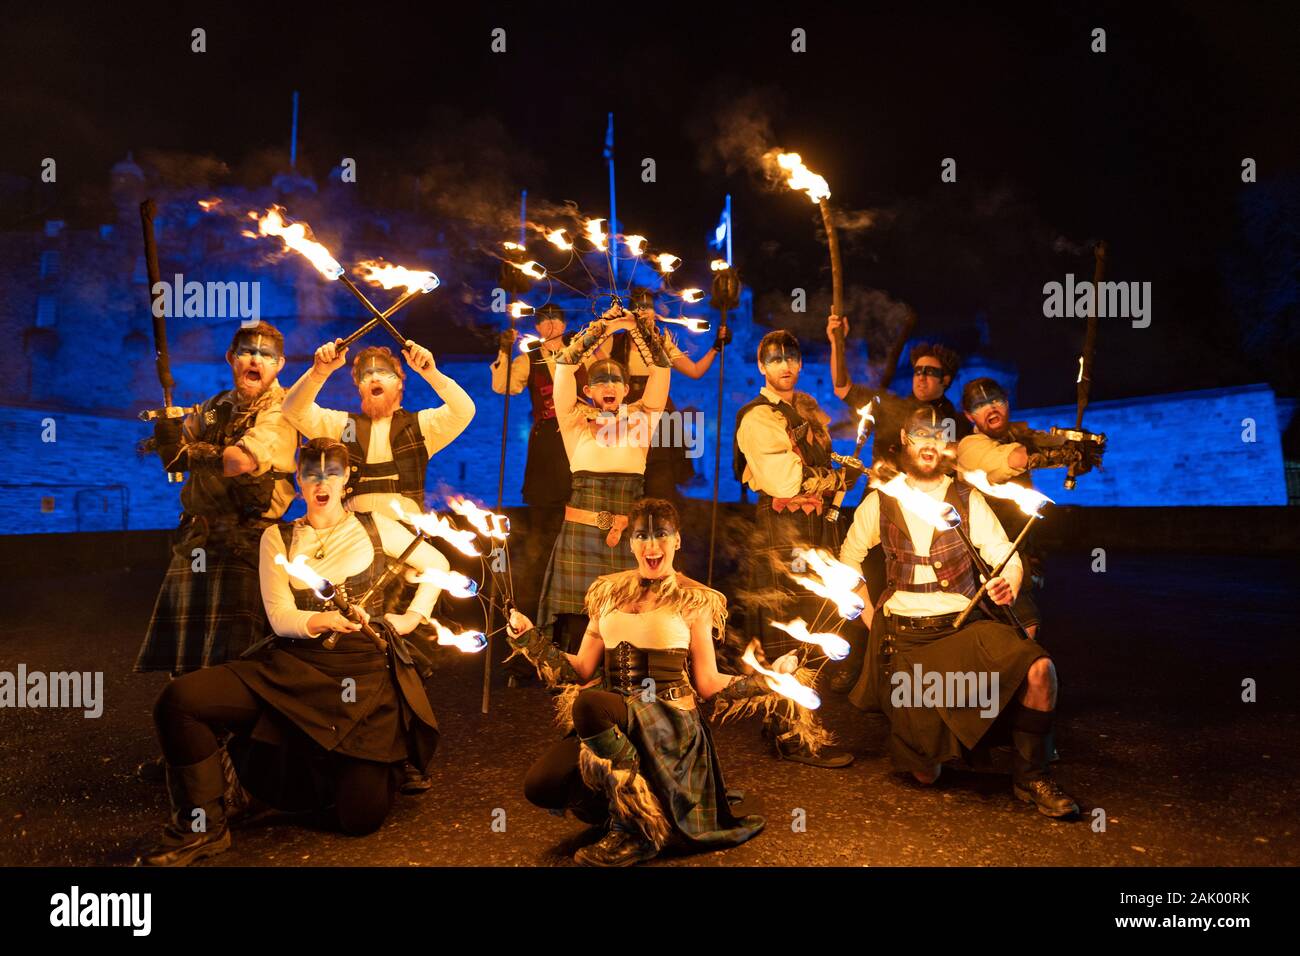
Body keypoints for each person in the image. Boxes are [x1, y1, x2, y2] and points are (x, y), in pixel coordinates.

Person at [137, 438, 445, 866]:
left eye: (332, 473)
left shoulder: (376, 527)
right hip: (295, 666)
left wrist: (410, 619)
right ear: (299, 480)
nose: (322, 483)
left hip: (362, 679)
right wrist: (322, 621)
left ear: (346, 478)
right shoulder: (277, 537)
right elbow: (280, 616)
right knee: (180, 699)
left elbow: (438, 565)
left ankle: (360, 764)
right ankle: (201, 827)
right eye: (312, 474)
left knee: (360, 819)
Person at [508, 497, 777, 866]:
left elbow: (709, 683)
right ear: (630, 543)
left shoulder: (695, 599)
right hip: (612, 718)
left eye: (661, 534)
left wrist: (770, 682)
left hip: (665, 720)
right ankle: (622, 806)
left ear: (677, 540)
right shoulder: (607, 592)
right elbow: (581, 669)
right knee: (541, 785)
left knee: (589, 704)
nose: (652, 545)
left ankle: (636, 830)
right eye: (642, 536)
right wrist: (529, 639)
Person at [839, 404, 1079, 818]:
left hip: (961, 627)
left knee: (1041, 669)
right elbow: (849, 558)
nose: (929, 444)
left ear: (946, 444)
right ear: (905, 440)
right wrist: (870, 617)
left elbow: (1005, 554)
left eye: (937, 436)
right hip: (907, 640)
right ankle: (936, 733)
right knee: (926, 774)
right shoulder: (880, 501)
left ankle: (1031, 776)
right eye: (920, 435)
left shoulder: (969, 499)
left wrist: (1008, 583)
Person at [282, 336, 475, 792]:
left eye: (383, 373)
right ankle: (349, 749)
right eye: (365, 374)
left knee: (403, 660)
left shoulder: (421, 426)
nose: (373, 378)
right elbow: (294, 410)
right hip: (356, 549)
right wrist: (321, 369)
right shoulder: (342, 426)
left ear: (399, 383)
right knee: (358, 655)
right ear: (357, 385)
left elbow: (464, 410)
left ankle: (406, 756)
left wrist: (431, 371)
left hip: (406, 552)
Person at [135, 321, 298, 677]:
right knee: (188, 661)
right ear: (231, 358)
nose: (255, 359)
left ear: (279, 364)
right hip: (199, 537)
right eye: (247, 352)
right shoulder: (214, 407)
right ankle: (189, 708)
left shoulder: (283, 411)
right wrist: (168, 433)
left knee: (237, 659)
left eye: (266, 355)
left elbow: (239, 461)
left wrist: (187, 452)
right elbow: (179, 446)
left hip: (248, 542)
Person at [733, 329, 856, 768]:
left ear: (800, 364)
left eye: (791, 357)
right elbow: (786, 481)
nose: (784, 365)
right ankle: (791, 735)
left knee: (809, 617)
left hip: (813, 528)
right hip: (782, 529)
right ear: (761, 366)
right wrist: (835, 478)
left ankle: (785, 723)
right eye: (774, 358)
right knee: (787, 625)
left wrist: (839, 476)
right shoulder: (758, 417)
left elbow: (816, 470)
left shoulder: (806, 411)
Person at [535, 307, 671, 656]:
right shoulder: (574, 421)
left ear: (626, 389)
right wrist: (602, 327)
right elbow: (564, 365)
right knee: (577, 625)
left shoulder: (642, 420)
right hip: (579, 539)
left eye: (615, 381)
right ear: (588, 389)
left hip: (628, 541)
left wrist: (636, 327)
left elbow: (661, 369)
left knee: (627, 623)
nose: (608, 385)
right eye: (599, 381)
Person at [599, 286, 731, 502]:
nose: (644, 311)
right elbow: (595, 354)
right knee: (628, 484)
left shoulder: (663, 342)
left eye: (649, 307)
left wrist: (716, 347)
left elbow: (695, 371)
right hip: (627, 418)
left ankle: (661, 521)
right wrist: (607, 323)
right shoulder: (616, 342)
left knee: (660, 484)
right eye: (638, 307)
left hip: (659, 417)